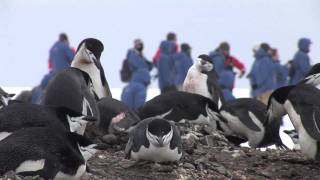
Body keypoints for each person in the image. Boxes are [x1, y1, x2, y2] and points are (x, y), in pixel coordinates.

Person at [31, 33, 75, 104]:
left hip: (53, 74)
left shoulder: (52, 49)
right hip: (65, 73)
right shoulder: (65, 47)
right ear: (65, 40)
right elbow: (73, 59)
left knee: (42, 86)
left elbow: (50, 64)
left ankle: (36, 104)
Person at [121, 39, 152, 109]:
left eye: (140, 44)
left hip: (140, 83)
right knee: (134, 107)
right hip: (137, 82)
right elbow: (142, 66)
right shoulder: (133, 55)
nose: (139, 46)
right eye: (137, 44)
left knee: (134, 107)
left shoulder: (140, 57)